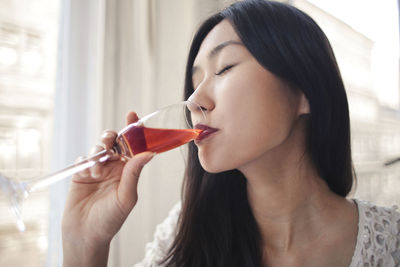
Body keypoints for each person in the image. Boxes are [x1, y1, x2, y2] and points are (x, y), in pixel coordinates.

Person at [62, 0, 400, 266]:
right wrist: (85, 245)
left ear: (304, 91)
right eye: (194, 83)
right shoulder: (185, 235)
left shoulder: (391, 242)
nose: (194, 100)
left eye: (224, 67)